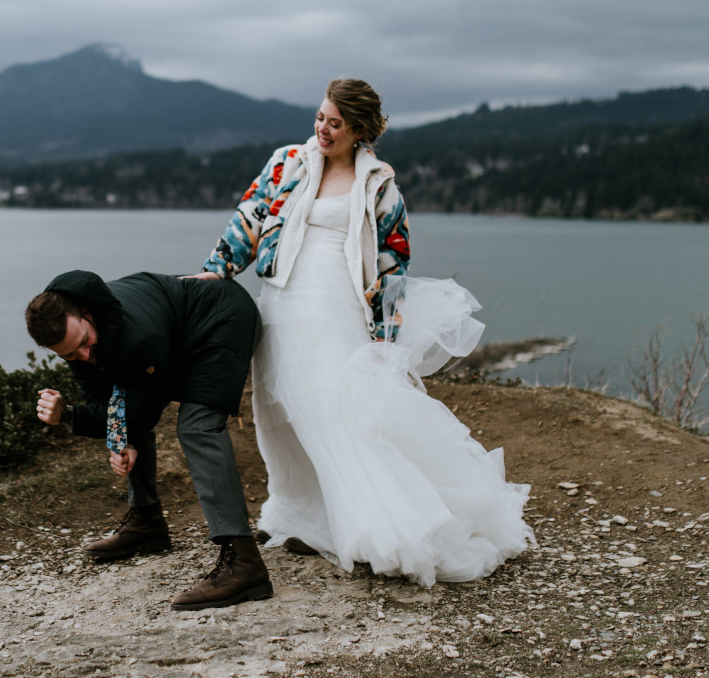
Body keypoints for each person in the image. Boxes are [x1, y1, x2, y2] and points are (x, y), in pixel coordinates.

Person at [189, 78, 534, 584]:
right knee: (278, 409)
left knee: (331, 408)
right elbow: (251, 216)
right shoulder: (288, 161)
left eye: (336, 124)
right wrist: (217, 268)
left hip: (333, 301)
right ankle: (301, 515)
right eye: (320, 117)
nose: (323, 129)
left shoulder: (380, 185)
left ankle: (378, 523)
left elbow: (394, 261)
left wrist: (384, 335)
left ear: (359, 131)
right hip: (278, 298)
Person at [26, 269, 273, 610]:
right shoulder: (75, 334)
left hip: (223, 318)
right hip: (179, 331)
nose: (82, 357)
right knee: (129, 407)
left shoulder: (138, 337)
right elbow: (108, 404)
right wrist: (118, 440)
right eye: (69, 355)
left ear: (88, 314)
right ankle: (147, 522)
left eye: (83, 343)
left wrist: (69, 416)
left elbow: (140, 414)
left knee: (196, 426)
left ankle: (244, 563)